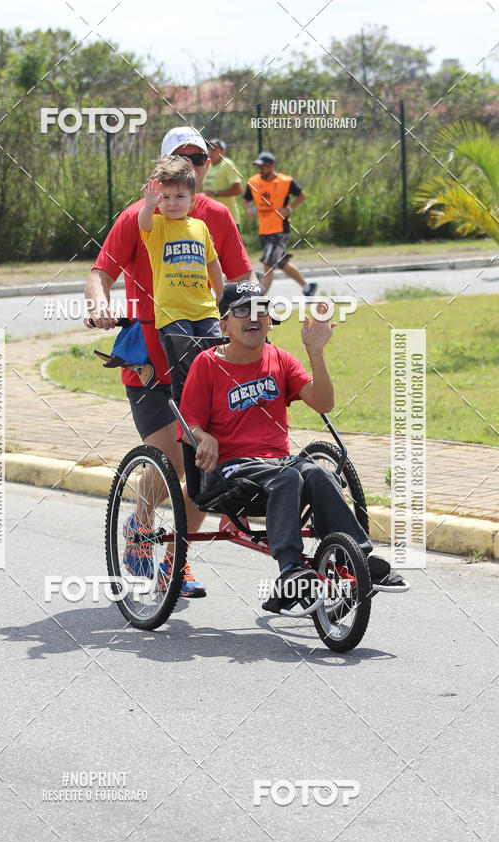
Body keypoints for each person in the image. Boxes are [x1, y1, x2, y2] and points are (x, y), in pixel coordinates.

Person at [84, 125, 255, 598]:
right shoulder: (140, 218)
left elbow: (241, 280)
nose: (193, 166)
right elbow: (101, 271)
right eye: (180, 160)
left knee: (203, 455)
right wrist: (99, 303)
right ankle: (141, 528)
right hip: (149, 361)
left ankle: (175, 562)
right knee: (171, 459)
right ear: (160, 174)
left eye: (199, 160)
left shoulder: (215, 217)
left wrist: (248, 326)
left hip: (204, 354)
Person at [177, 281, 404, 613]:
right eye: (241, 310)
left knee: (317, 472)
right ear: (223, 324)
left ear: (270, 320)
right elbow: (188, 425)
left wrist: (315, 351)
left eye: (260, 309)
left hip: (279, 462)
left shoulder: (280, 359)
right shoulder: (207, 364)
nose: (252, 317)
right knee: (290, 478)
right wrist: (203, 436)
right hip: (232, 470)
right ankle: (290, 570)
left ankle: (356, 557)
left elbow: (323, 402)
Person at [138, 156, 224, 351]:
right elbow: (143, 222)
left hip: (205, 310)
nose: (172, 203)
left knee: (215, 358)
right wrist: (149, 205)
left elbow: (212, 262)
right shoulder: (157, 225)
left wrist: (221, 293)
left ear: (193, 200)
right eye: (165, 197)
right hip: (173, 313)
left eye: (179, 196)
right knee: (185, 364)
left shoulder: (200, 227)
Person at [243, 152, 317, 297]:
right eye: (258, 167)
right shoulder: (253, 181)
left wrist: (289, 208)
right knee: (282, 263)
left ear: (272, 166)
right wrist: (248, 209)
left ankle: (258, 302)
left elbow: (302, 195)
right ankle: (308, 287)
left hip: (280, 230)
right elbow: (246, 198)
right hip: (264, 230)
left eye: (263, 166)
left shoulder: (286, 181)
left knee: (268, 266)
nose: (260, 169)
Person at [202, 139, 243, 227]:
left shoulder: (227, 164)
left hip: (229, 219)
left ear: (223, 151)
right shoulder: (207, 166)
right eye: (208, 149)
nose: (210, 152)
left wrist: (215, 193)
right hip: (211, 219)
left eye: (214, 149)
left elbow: (238, 190)